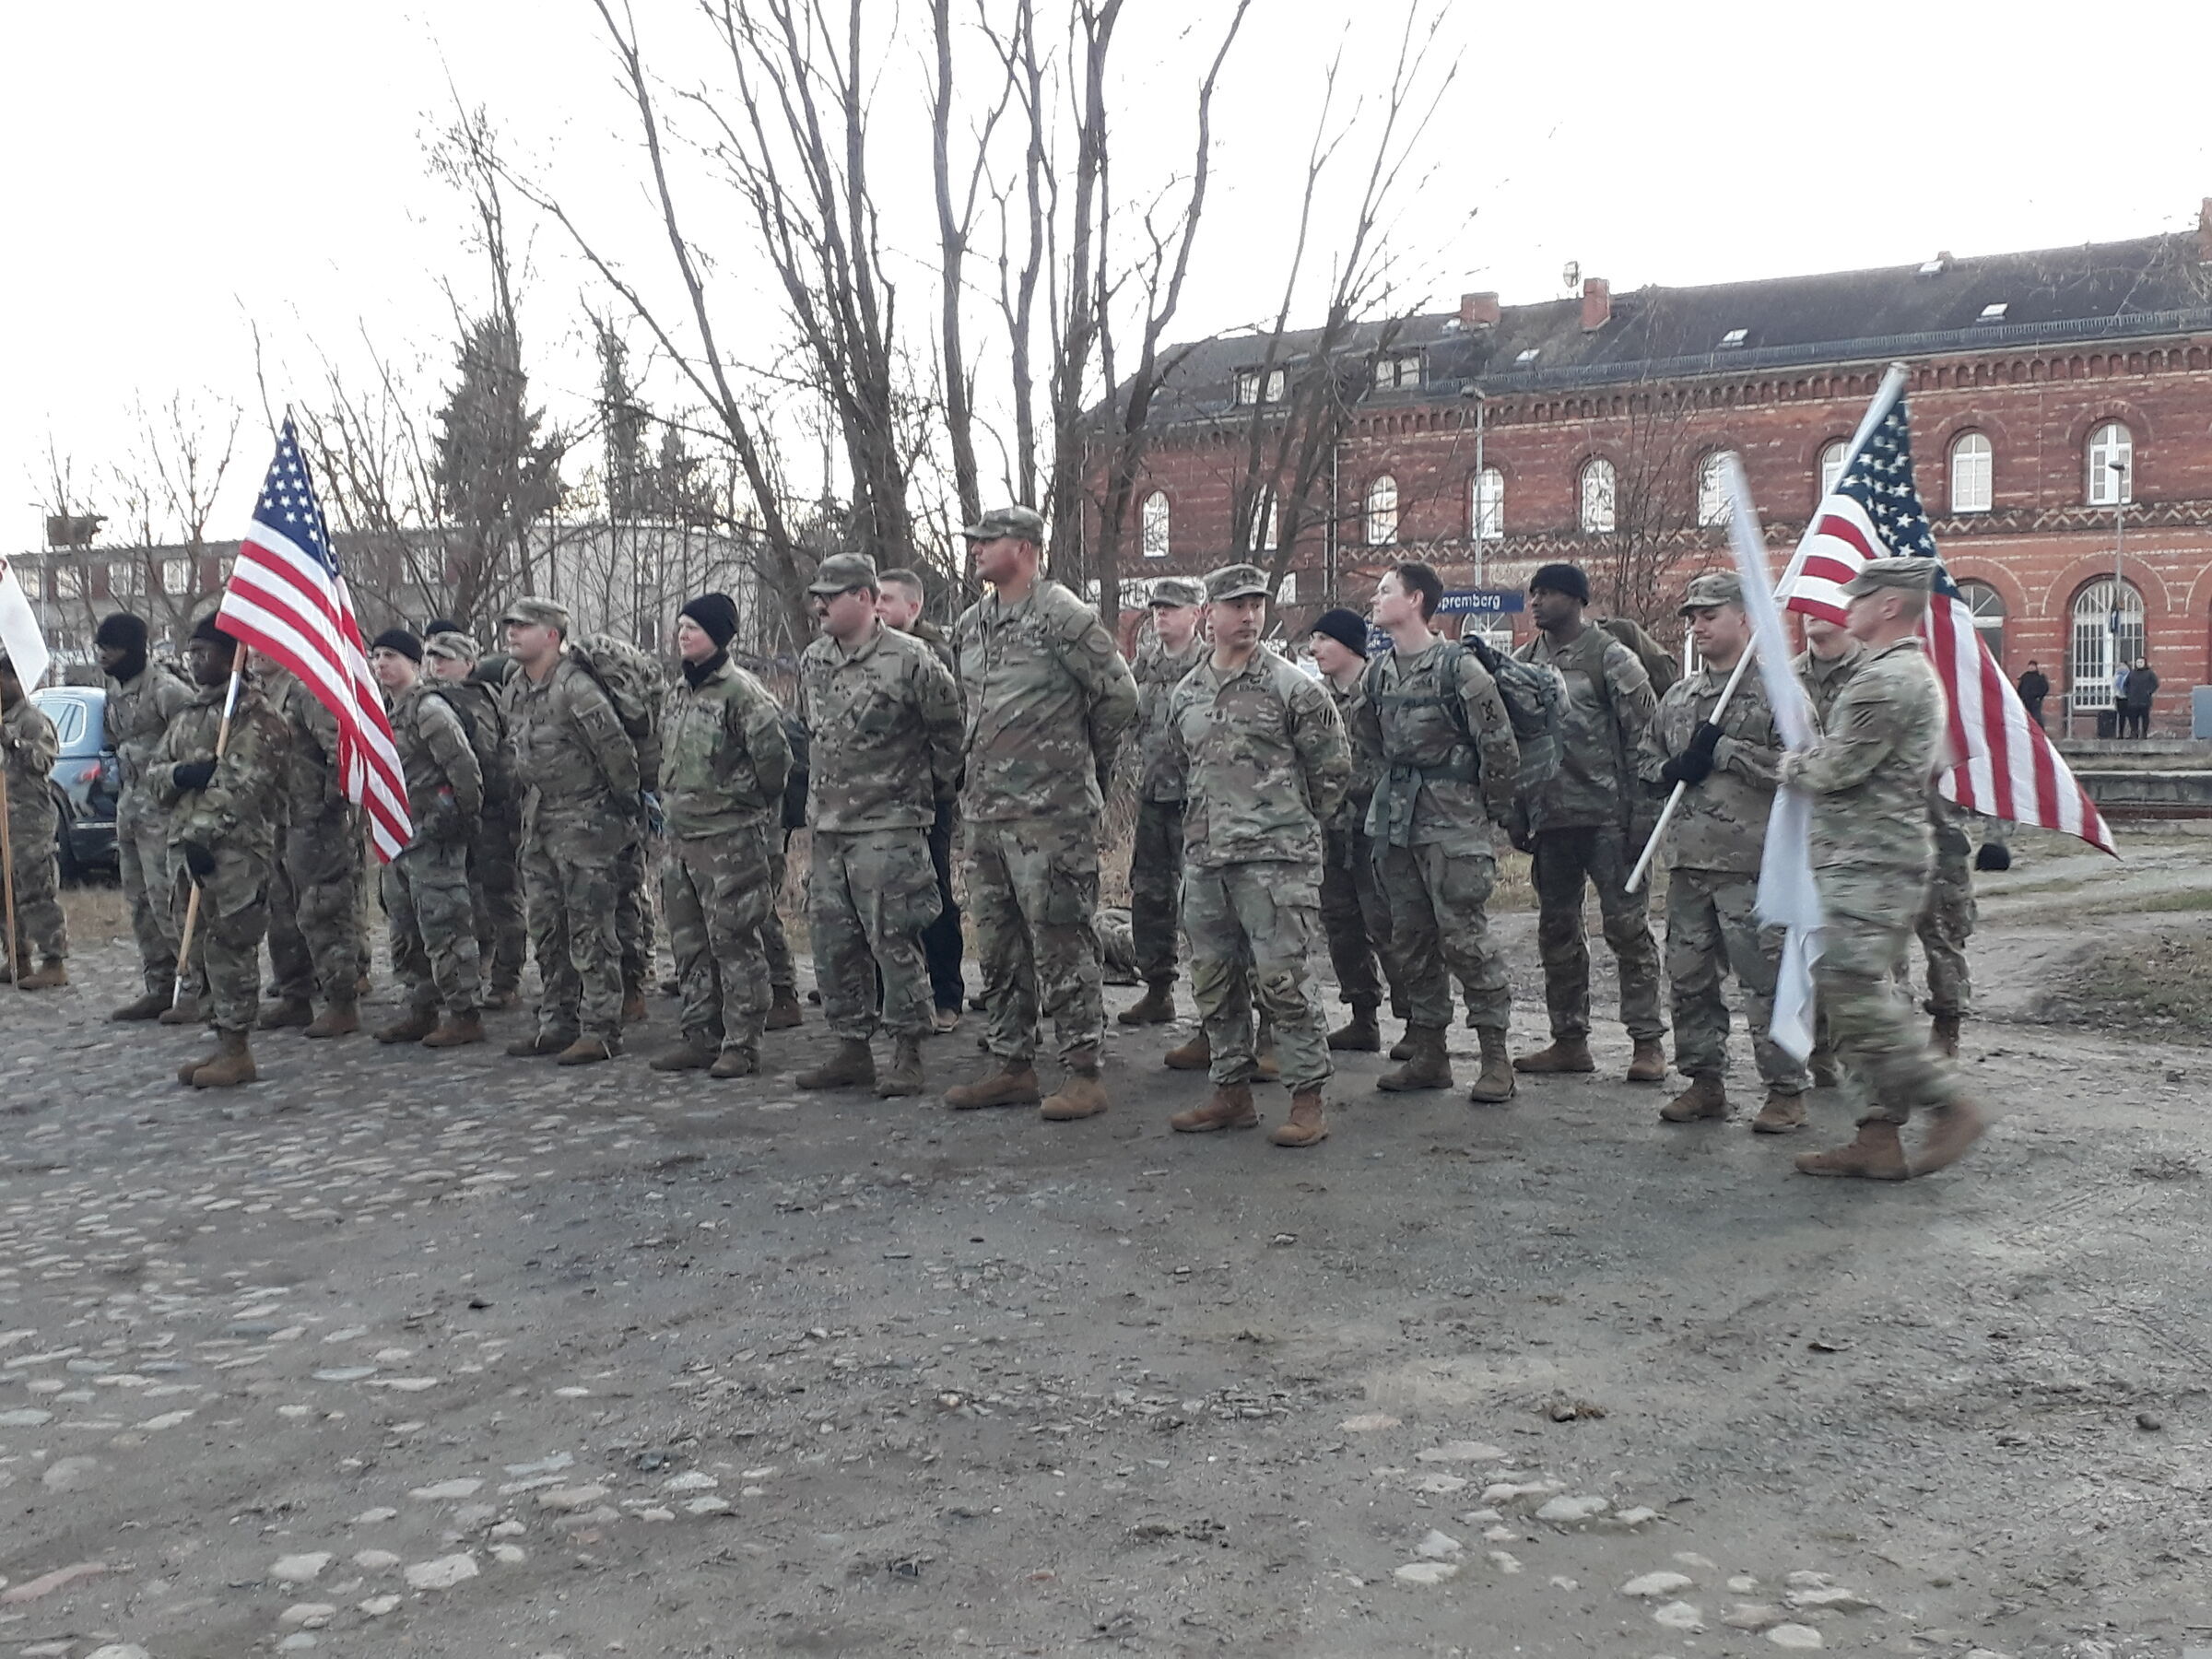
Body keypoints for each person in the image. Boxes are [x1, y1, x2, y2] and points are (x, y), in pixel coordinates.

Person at [1779, 558, 1985, 1180]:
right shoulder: (1891, 673)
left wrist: (1788, 765)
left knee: (1850, 986)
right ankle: (1877, 1136)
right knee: (1849, 991)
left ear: (1889, 605)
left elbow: (1835, 769)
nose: (1847, 605)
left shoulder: (1885, 681)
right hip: (1862, 854)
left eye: (1859, 596)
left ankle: (1950, 1101)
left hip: (1872, 858)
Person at [944, 504, 1139, 1122]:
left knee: (1061, 941)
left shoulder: (1063, 616)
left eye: (987, 539)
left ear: (1025, 548)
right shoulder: (972, 624)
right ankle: (1012, 1064)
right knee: (999, 944)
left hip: (1051, 816)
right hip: (986, 813)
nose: (975, 548)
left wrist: (1081, 768)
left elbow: (1119, 698)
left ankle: (1083, 1071)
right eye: (973, 540)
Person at [1160, 564, 1348, 1147]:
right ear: (1208, 613)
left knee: (1284, 982)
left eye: (1257, 604)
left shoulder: (1292, 687)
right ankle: (1231, 1092)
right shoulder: (1187, 691)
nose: (1248, 615)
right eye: (1235, 604)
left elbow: (1333, 769)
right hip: (1207, 860)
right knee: (1214, 980)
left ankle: (1307, 1098)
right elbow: (1181, 763)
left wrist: (1290, 831)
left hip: (1276, 863)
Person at [1635, 572, 1810, 1131]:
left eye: (1710, 614)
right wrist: (1671, 768)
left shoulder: (1777, 692)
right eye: (1692, 616)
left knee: (1764, 980)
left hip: (1752, 865)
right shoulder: (1680, 696)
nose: (1698, 625)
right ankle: (1704, 1081)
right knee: (1688, 978)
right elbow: (1644, 762)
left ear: (1744, 618)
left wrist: (1729, 751)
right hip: (1688, 864)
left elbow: (1807, 769)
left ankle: (1785, 1091)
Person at [797, 554, 964, 1098]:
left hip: (890, 827)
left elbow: (950, 732)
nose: (820, 605)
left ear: (866, 598)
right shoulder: (813, 661)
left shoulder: (910, 660)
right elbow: (813, 734)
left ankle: (908, 1050)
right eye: (817, 594)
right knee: (833, 942)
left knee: (894, 940)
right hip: (829, 829)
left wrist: (926, 794)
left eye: (832, 595)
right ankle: (851, 1047)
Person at [1366, 560, 1522, 1102]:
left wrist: (1491, 816)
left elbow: (1499, 745)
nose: (1376, 598)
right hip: (1398, 825)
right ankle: (1429, 1053)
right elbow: (1369, 742)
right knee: (1410, 939)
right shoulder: (1379, 671)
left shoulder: (1459, 668)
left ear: (1414, 601)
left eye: (1385, 590)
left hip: (1455, 827)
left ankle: (1495, 1058)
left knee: (1465, 938)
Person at [1512, 561, 1667, 1084]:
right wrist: (1518, 813)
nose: (1536, 602)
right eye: (1533, 593)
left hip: (1609, 819)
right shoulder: (1524, 661)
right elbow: (1515, 745)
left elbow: (1646, 740)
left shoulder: (1611, 658)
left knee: (1626, 929)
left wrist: (1643, 821)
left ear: (1577, 601)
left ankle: (1647, 1042)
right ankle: (1568, 1040)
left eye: (1549, 593)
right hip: (1552, 821)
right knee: (1556, 931)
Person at [150, 605, 290, 1088]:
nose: (194, 661)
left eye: (205, 652)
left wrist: (201, 833)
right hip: (187, 850)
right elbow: (153, 775)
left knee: (231, 944)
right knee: (204, 947)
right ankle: (219, 1034)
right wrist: (179, 775)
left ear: (234, 656)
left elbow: (243, 784)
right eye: (190, 652)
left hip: (234, 851)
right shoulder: (191, 714)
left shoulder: (258, 717)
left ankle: (238, 1047)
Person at [653, 593, 791, 1080]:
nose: (683, 633)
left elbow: (775, 765)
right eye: (681, 625)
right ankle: (699, 1035)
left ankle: (742, 1043)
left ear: (720, 635)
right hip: (680, 841)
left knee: (734, 942)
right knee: (688, 945)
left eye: (695, 627)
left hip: (730, 840)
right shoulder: (677, 692)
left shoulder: (743, 693)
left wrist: (740, 804)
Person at [500, 594, 641, 1065]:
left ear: (552, 636)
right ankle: (557, 1022)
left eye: (523, 626)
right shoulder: (515, 687)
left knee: (591, 929)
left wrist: (621, 814)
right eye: (510, 625)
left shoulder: (576, 688)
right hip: (540, 822)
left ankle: (601, 1029)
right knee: (547, 929)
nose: (512, 632)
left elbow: (617, 754)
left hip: (586, 823)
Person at [368, 629, 487, 1048]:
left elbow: (464, 770)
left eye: (391, 657)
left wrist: (457, 821)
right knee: (404, 928)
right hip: (396, 836)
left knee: (445, 926)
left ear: (414, 664)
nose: (381, 664)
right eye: (376, 656)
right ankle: (420, 1006)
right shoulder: (383, 709)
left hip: (433, 837)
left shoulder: (430, 710)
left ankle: (463, 1012)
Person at [1307, 606, 1407, 1052]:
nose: (1314, 649)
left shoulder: (1381, 689)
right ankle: (1363, 1016)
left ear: (1349, 645)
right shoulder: (1312, 698)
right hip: (1331, 828)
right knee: (1341, 923)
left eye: (1323, 640)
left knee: (1387, 923)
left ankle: (1416, 1025)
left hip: (1377, 827)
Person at [877, 567, 967, 1033]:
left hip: (926, 797)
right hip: (875, 800)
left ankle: (947, 992)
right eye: (874, 599)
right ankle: (882, 991)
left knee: (932, 894)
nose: (878, 608)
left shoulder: (933, 656)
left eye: (887, 600)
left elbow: (951, 729)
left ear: (912, 608)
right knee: (876, 898)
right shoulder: (861, 652)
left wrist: (938, 784)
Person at [1118, 577, 1207, 1028]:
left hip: (1201, 801)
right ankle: (1158, 989)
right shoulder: (1145, 665)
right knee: (1151, 894)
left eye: (1171, 608)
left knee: (1205, 902)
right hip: (1155, 795)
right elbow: (1125, 717)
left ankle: (1219, 1004)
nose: (1161, 615)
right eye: (1157, 609)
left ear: (1197, 613)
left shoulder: (1211, 665)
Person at [261, 662, 367, 1039]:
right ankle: (295, 996)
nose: (256, 650)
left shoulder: (307, 691)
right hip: (281, 817)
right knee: (282, 912)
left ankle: (341, 1002)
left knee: (322, 910)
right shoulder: (264, 692)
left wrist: (331, 807)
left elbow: (342, 752)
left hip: (315, 821)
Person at [97, 611, 193, 1017]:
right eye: (99, 649)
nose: (103, 657)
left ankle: (194, 989)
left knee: (168, 899)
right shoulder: (114, 690)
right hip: (130, 807)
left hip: (164, 811)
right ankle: (159, 983)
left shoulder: (168, 691)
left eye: (111, 649)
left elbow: (194, 744)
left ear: (132, 650)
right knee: (139, 902)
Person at [424, 631, 527, 1008]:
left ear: (469, 664)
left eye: (446, 659)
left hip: (491, 815)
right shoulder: (434, 700)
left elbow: (482, 762)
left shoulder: (474, 702)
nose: (437, 666)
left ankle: (506, 979)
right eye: (433, 658)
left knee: (502, 899)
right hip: (458, 815)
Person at [1793, 613, 1865, 1088]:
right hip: (1799, 835)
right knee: (1803, 949)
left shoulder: (1873, 677)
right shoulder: (1783, 676)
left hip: (1859, 839)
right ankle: (1813, 1051)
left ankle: (1868, 1074)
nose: (1813, 610)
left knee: (1858, 959)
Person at [0, 653, 67, 989]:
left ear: (15, 680)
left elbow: (44, 760)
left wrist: (11, 742)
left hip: (29, 820)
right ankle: (16, 956)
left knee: (35, 889)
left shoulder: (32, 720)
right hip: (2, 820)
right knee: (4, 891)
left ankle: (53, 960)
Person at [2122, 656, 2158, 738]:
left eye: (2141, 662)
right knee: (2133, 718)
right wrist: (2128, 693)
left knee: (2145, 717)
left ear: (2144, 663)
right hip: (2133, 700)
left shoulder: (2149, 673)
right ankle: (2134, 732)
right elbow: (2126, 685)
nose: (2139, 664)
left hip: (2145, 700)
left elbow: (2155, 684)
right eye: (2138, 662)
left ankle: (2144, 733)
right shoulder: (2132, 673)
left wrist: (2149, 692)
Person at [2015, 661, 2050, 731]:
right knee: (2025, 717)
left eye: (2033, 666)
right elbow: (2020, 688)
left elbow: (2045, 688)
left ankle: (2040, 731)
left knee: (2036, 717)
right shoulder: (2025, 676)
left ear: (2036, 667)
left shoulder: (2040, 677)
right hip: (2025, 700)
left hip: (2035, 701)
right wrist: (2019, 697)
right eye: (2030, 666)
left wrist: (2039, 697)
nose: (2031, 667)